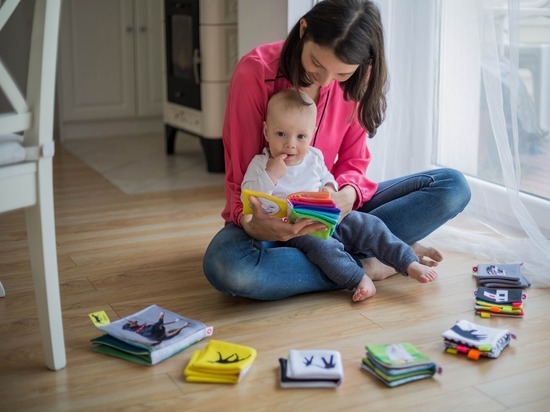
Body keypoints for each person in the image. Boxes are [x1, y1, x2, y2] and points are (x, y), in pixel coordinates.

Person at [203, 0, 471, 301]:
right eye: (317, 63)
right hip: (271, 225)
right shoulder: (255, 72)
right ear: (303, 30)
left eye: (341, 74)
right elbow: (241, 181)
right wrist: (255, 225)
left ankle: (350, 259)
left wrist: (346, 195)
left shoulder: (357, 79)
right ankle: (372, 263)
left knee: (452, 187)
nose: (326, 81)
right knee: (229, 268)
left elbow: (354, 161)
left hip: (334, 217)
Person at [242, 88, 437, 302]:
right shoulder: (260, 164)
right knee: (324, 248)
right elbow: (250, 197)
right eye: (281, 134)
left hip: (329, 217)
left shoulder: (314, 157)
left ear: (312, 134)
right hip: (298, 230)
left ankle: (408, 262)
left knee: (370, 225)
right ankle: (358, 278)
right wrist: (270, 175)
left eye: (301, 136)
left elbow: (327, 177)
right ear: (266, 131)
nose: (291, 144)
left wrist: (329, 189)